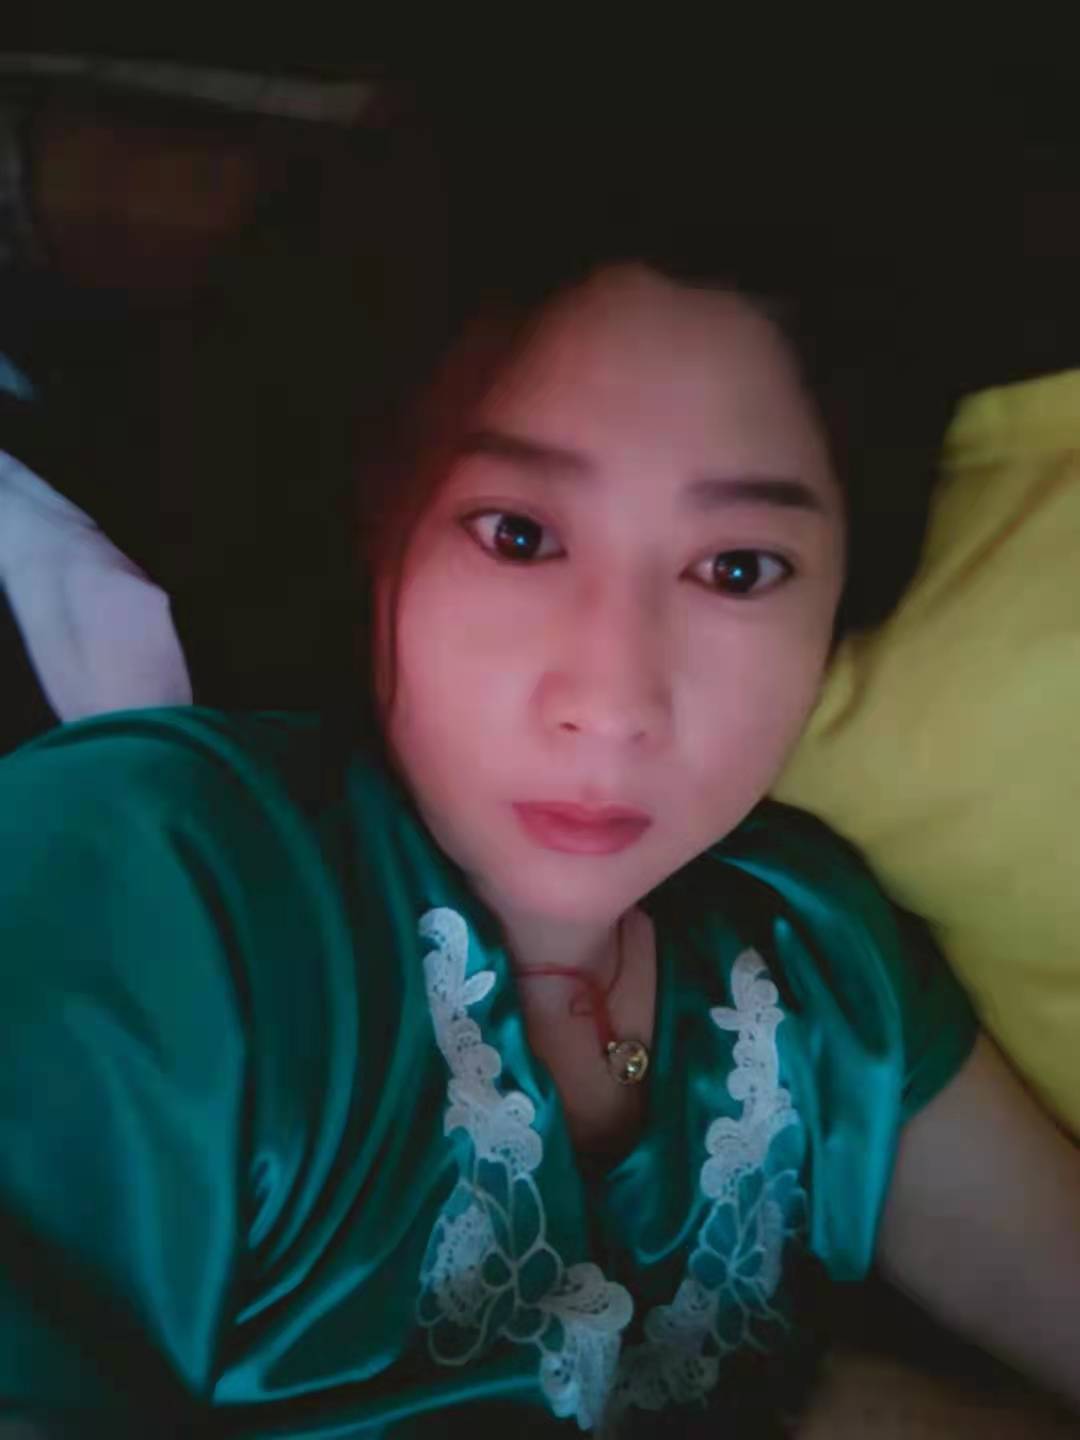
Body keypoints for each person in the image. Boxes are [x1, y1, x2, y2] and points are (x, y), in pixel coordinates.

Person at [1, 232, 1078, 1439]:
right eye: (517, 535)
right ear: (379, 529)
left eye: (737, 568)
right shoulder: (150, 881)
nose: (614, 700)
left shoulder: (818, 951)